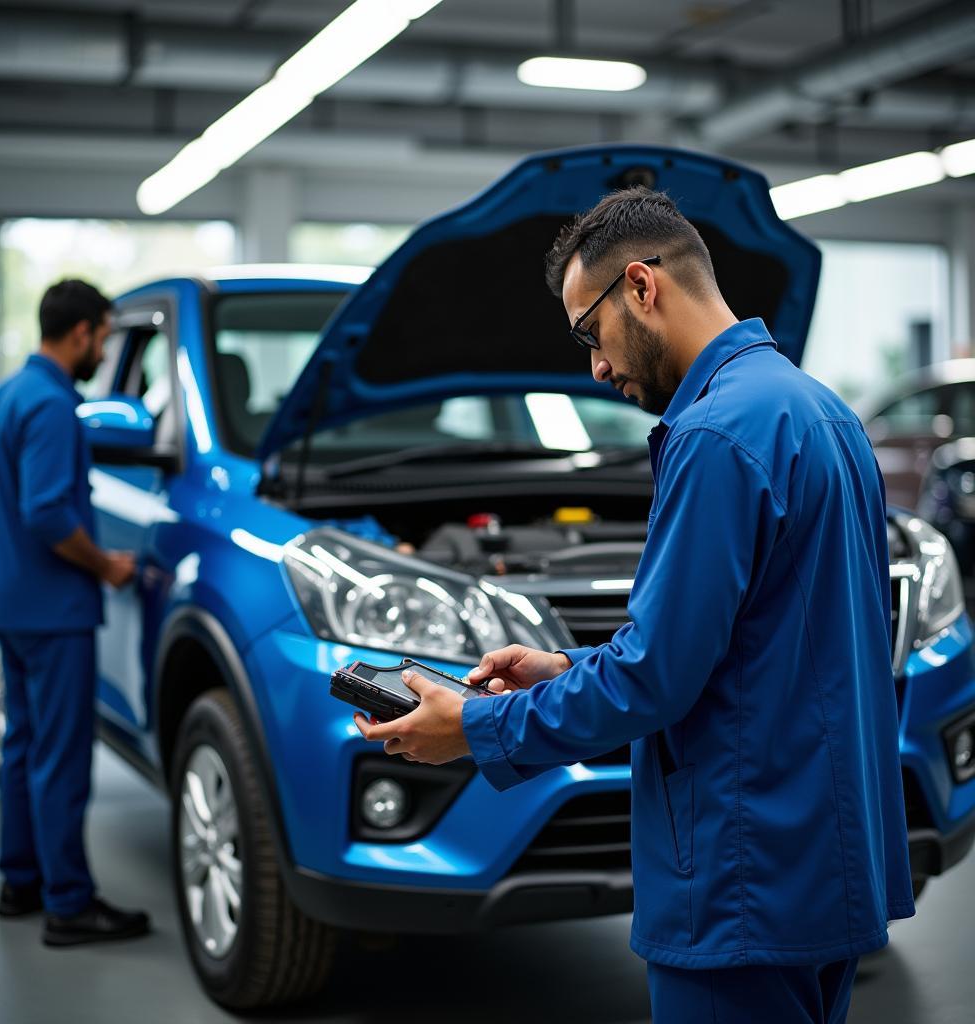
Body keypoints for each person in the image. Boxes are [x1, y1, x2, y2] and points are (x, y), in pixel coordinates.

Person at [353, 187, 915, 1023]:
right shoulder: (819, 412)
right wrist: (567, 668)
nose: (597, 367)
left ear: (643, 287)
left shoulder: (714, 436)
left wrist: (471, 727)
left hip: (740, 881)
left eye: (591, 332)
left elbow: (655, 680)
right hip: (825, 873)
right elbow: (776, 646)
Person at [0, 278, 151, 947]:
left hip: (9, 606)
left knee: (22, 746)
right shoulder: (52, 406)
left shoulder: (4, 399)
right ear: (80, 332)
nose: (103, 350)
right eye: (104, 336)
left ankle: (20, 881)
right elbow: (46, 511)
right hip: (53, 614)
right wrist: (107, 565)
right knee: (61, 758)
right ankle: (70, 905)